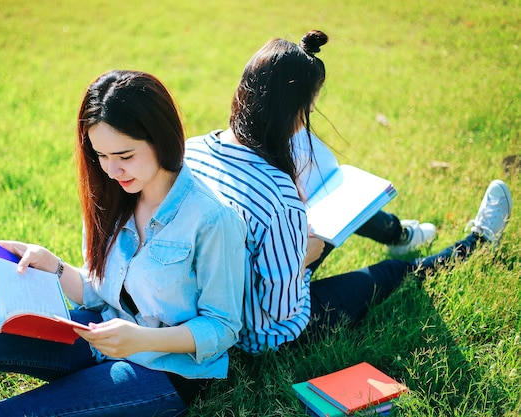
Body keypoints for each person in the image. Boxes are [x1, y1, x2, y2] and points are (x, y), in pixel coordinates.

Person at [0, 70, 246, 416]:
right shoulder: (114, 194)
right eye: (101, 156)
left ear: (161, 139)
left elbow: (223, 326)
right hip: (100, 334)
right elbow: (101, 292)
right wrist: (54, 266)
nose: (111, 171)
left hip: (165, 370)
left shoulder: (212, 218)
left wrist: (141, 339)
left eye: (124, 156)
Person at [184, 29, 513, 353]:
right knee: (392, 273)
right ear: (291, 110)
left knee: (344, 204)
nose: (311, 114)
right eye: (309, 107)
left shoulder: (192, 150)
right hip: (261, 335)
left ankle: (399, 235)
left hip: (205, 311)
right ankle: (476, 243)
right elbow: (280, 310)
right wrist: (305, 255)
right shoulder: (279, 197)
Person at [291, 127, 437, 264]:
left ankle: (397, 234)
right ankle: (398, 236)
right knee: (392, 272)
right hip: (293, 270)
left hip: (294, 256)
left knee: (341, 198)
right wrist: (303, 261)